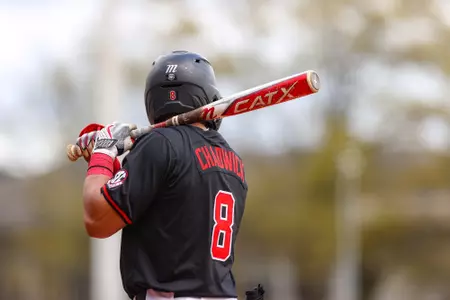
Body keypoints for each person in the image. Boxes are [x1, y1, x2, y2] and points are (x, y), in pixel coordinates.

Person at [77, 50, 262, 300]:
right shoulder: (233, 160)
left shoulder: (159, 144)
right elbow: (165, 199)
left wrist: (102, 153)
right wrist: (111, 162)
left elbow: (97, 219)